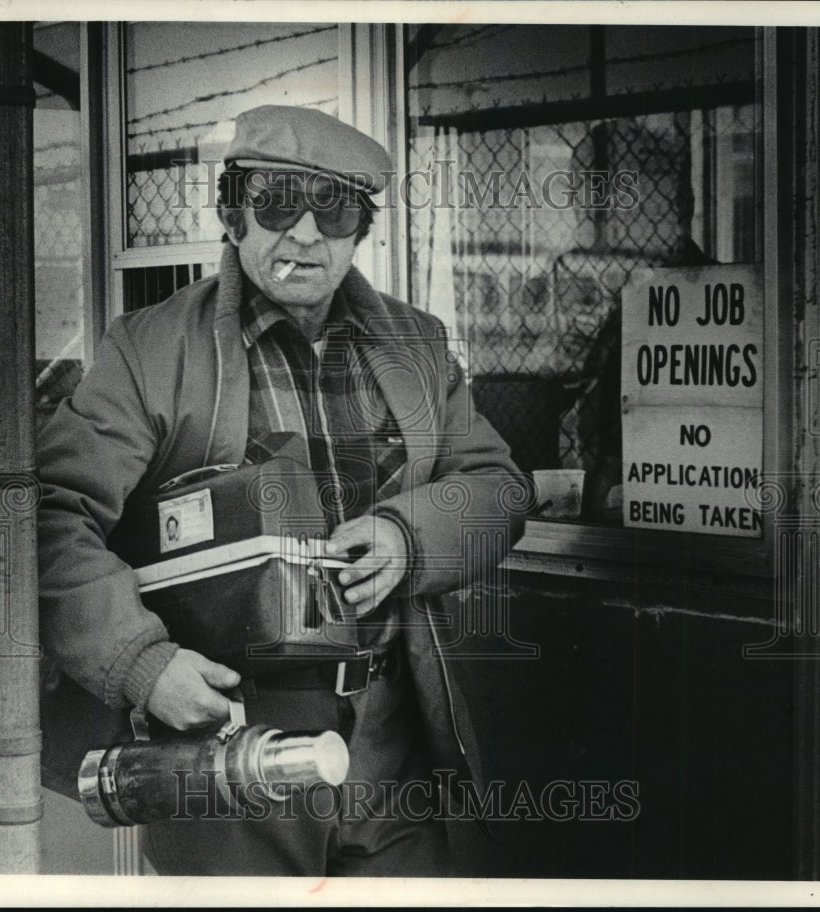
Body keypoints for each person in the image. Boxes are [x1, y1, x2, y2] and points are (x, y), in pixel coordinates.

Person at [37, 104, 530, 876]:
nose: (303, 233)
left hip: (389, 747)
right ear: (232, 214)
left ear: (360, 228)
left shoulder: (419, 346)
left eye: (331, 208)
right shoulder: (149, 349)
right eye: (275, 201)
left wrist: (408, 536)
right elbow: (51, 512)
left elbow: (498, 487)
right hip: (227, 746)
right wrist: (140, 663)